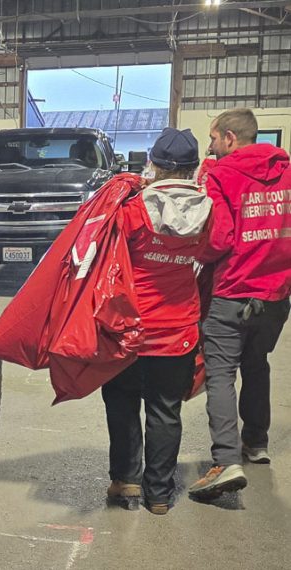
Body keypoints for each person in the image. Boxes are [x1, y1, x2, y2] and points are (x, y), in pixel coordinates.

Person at [102, 128, 211, 515]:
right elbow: (215, 251)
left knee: (121, 401)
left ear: (155, 164)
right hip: (178, 330)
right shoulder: (208, 213)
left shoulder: (132, 211)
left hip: (130, 329)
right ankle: (160, 496)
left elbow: (107, 259)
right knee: (166, 411)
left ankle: (126, 481)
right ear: (193, 168)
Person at [188, 108, 291, 500]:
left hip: (233, 291)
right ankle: (257, 443)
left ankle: (225, 460)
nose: (210, 147)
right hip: (276, 297)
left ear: (230, 138)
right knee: (257, 364)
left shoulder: (221, 175)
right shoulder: (286, 172)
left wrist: (194, 252)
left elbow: (219, 241)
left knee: (220, 374)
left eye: (213, 139)